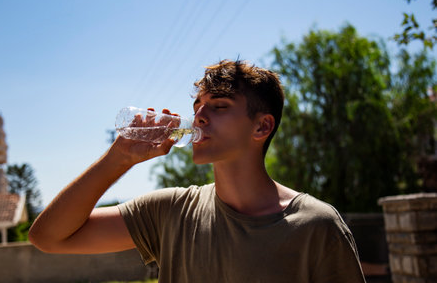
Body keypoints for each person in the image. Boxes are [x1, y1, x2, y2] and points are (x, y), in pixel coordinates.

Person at [29, 60, 366, 282]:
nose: (199, 116)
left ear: (262, 127)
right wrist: (118, 159)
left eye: (219, 106)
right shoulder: (170, 212)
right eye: (197, 106)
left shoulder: (318, 226)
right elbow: (47, 237)